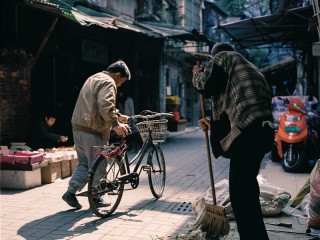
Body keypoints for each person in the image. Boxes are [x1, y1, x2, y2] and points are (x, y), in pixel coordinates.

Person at [192, 43, 274, 240]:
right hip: (262, 132)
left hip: (247, 135)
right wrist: (212, 125)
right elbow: (236, 104)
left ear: (215, 57)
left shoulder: (225, 58)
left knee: (240, 194)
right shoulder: (251, 69)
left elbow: (207, 85)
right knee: (247, 187)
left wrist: (196, 74)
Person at [62, 60, 131, 209]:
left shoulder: (93, 78)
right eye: (122, 81)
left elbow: (96, 103)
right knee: (99, 165)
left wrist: (118, 115)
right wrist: (115, 124)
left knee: (85, 163)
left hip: (79, 127)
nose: (120, 85)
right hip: (93, 131)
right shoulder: (109, 82)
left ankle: (71, 191)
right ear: (117, 75)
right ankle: (97, 198)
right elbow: (105, 104)